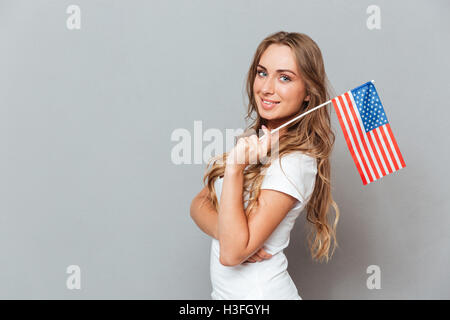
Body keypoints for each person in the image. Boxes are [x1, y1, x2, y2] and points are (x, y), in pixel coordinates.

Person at [190, 31, 340, 300]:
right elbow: (199, 204)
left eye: (284, 77)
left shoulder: (293, 163)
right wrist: (228, 233)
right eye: (262, 73)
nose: (267, 88)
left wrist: (235, 168)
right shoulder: (257, 142)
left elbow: (232, 254)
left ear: (308, 92)